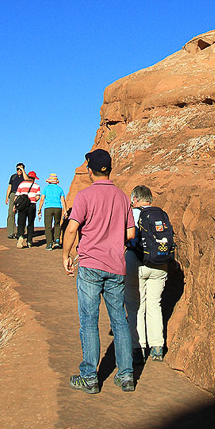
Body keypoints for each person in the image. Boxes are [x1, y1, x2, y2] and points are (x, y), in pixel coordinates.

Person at [63, 149, 135, 394]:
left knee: (89, 321)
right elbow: (130, 233)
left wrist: (66, 255)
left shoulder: (84, 196)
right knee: (120, 322)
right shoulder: (123, 197)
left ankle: (90, 377)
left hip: (91, 264)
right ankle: (126, 376)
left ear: (89, 169)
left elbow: (72, 228)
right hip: (116, 266)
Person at [125, 185, 168, 362]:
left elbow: (126, 236)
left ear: (135, 199)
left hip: (137, 261)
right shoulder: (160, 214)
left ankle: (139, 347)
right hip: (160, 263)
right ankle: (157, 347)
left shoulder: (133, 214)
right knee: (154, 304)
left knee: (136, 305)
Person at [37, 173, 67, 250]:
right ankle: (57, 240)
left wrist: (39, 209)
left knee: (48, 226)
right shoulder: (60, 189)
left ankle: (49, 244)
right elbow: (63, 200)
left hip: (48, 208)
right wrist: (65, 210)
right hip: (58, 208)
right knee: (57, 224)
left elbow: (42, 198)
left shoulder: (46, 188)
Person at [14, 169, 41, 248]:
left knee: (21, 222)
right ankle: (29, 241)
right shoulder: (36, 186)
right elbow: (37, 197)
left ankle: (20, 237)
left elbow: (17, 195)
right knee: (30, 223)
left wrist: (14, 206)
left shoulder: (22, 184)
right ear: (34, 178)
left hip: (22, 206)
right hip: (31, 205)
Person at [5, 163, 25, 239]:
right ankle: (11, 232)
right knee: (11, 213)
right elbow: (9, 186)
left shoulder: (24, 177)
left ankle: (20, 232)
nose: (19, 171)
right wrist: (7, 196)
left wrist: (23, 171)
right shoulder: (13, 177)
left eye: (20, 169)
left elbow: (27, 180)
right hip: (13, 194)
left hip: (22, 195)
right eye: (18, 169)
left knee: (21, 213)